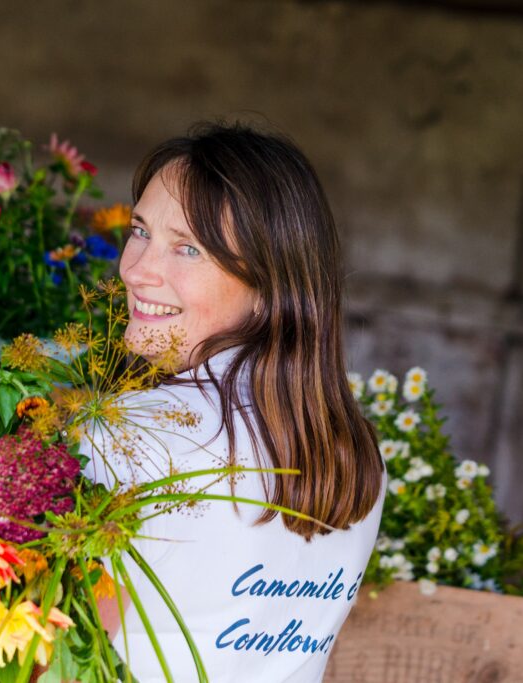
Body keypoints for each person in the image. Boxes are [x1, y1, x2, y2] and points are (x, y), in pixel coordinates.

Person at [83, 122, 386, 682]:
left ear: (270, 285)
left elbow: (57, 650)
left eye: (188, 249)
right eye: (141, 231)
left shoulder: (133, 436)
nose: (136, 270)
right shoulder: (355, 452)